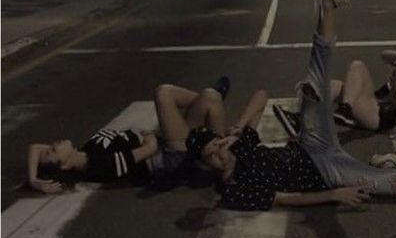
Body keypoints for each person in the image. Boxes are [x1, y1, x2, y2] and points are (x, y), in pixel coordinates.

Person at [185, 0, 396, 210]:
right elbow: (284, 199)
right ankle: (386, 161)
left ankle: (328, 2)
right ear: (206, 165)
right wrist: (334, 195)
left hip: (312, 143)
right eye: (212, 156)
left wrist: (238, 129)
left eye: (217, 146)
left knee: (317, 78)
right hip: (329, 173)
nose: (220, 154)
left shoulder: (241, 147)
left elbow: (261, 96)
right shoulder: (233, 190)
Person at [27, 77, 238, 194]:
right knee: (164, 93)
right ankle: (225, 159)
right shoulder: (98, 164)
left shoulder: (88, 150)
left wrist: (33, 179)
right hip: (169, 157)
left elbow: (34, 147)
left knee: (209, 99)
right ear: (64, 165)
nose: (52, 144)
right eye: (53, 150)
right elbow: (149, 149)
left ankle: (210, 107)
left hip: (167, 146)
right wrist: (147, 138)